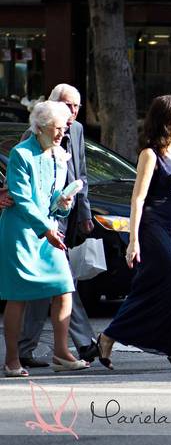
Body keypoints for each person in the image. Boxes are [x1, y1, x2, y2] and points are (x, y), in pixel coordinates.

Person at [94, 96, 171, 370]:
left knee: (148, 287)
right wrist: (133, 241)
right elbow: (138, 199)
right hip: (150, 223)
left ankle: (108, 336)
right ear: (168, 120)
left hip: (170, 221)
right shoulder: (149, 154)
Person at [1, 101, 89, 377]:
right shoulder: (21, 154)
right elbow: (22, 198)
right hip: (21, 233)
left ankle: (61, 352)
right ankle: (12, 359)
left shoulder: (58, 155)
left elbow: (53, 198)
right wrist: (46, 228)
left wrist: (63, 203)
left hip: (48, 230)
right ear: (40, 128)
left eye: (64, 128)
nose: (62, 133)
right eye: (57, 128)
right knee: (18, 297)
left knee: (64, 287)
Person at [18, 84, 98, 369]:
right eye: (67, 106)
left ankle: (26, 348)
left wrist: (84, 210)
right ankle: (84, 343)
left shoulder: (75, 130)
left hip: (66, 214)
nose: (73, 113)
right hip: (43, 221)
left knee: (52, 284)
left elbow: (82, 173)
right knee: (61, 282)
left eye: (77, 107)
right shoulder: (33, 137)